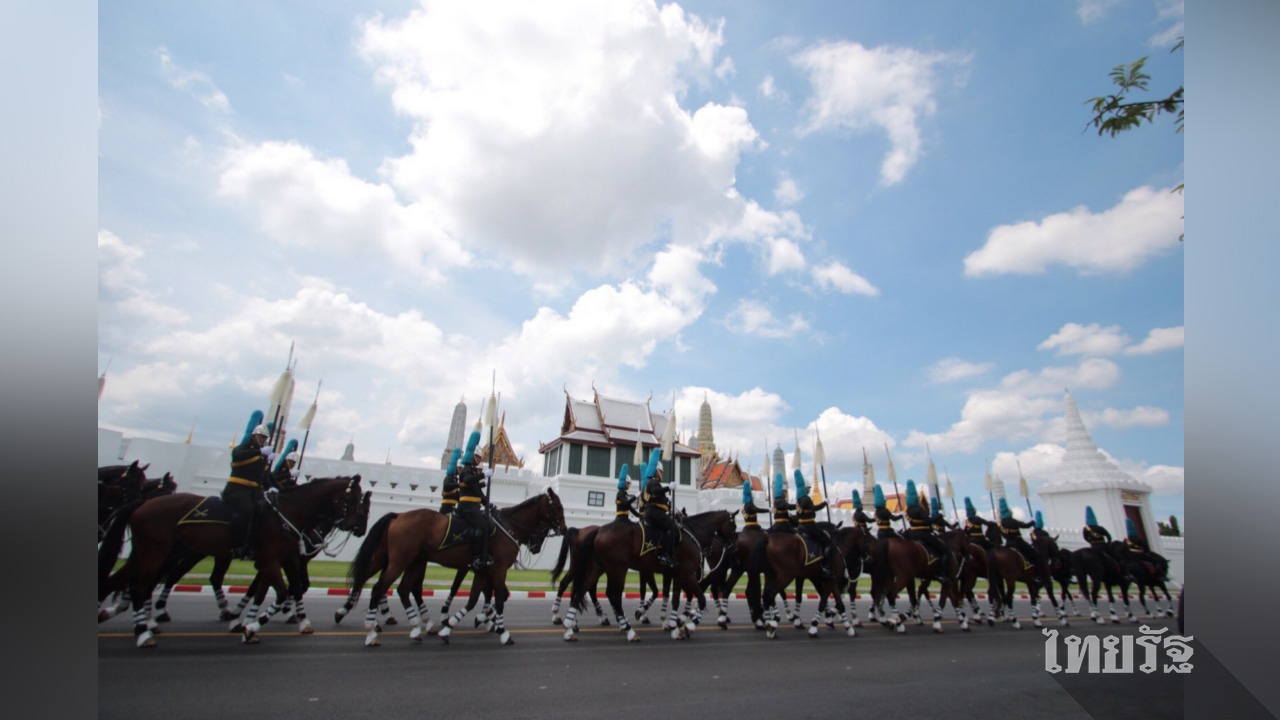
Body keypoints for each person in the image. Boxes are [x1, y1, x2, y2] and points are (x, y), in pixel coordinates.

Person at [222, 419, 276, 559]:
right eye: (261, 437)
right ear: (254, 436)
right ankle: (235, 545)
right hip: (237, 489)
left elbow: (263, 476)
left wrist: (270, 488)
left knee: (266, 514)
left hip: (254, 491)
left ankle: (252, 546)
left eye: (265, 438)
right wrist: (259, 452)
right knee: (246, 511)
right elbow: (238, 455)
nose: (263, 440)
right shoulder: (243, 448)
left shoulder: (261, 456)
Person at [453, 431, 493, 571]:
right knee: (483, 527)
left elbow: (477, 492)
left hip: (473, 506)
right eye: (477, 456)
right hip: (467, 507)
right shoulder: (466, 470)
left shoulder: (472, 471)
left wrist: (488, 504)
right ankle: (475, 557)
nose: (479, 459)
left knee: (487, 525)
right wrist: (483, 475)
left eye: (480, 457)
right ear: (472, 456)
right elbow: (467, 480)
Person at [903, 480, 952, 583]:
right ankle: (942, 574)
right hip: (923, 534)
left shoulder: (907, 510)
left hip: (912, 534)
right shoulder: (919, 509)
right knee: (945, 550)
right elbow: (929, 521)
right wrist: (938, 516)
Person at [639, 449, 678, 568]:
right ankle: (666, 555)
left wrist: (667, 501)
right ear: (657, 471)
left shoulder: (650, 482)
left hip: (654, 512)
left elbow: (656, 498)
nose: (661, 474)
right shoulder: (654, 481)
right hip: (655, 513)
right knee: (673, 527)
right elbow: (656, 491)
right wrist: (668, 487)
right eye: (660, 471)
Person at [792, 470, 835, 578]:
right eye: (808, 488)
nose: (809, 490)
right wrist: (825, 503)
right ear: (805, 489)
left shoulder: (798, 500)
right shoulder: (806, 499)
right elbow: (814, 508)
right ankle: (826, 567)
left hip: (800, 526)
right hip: (809, 525)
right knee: (828, 542)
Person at [997, 498, 1040, 573]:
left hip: (1008, 544)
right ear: (1010, 513)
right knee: (1033, 553)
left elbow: (1002, 535)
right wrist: (1033, 521)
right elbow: (1025, 526)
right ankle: (1036, 571)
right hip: (1019, 543)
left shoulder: (1001, 525)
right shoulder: (1014, 521)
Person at [439, 448, 462, 516]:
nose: (461, 471)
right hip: (446, 507)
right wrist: (459, 485)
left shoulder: (455, 479)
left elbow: (457, 496)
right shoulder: (449, 478)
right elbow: (447, 485)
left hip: (453, 506)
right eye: (460, 468)